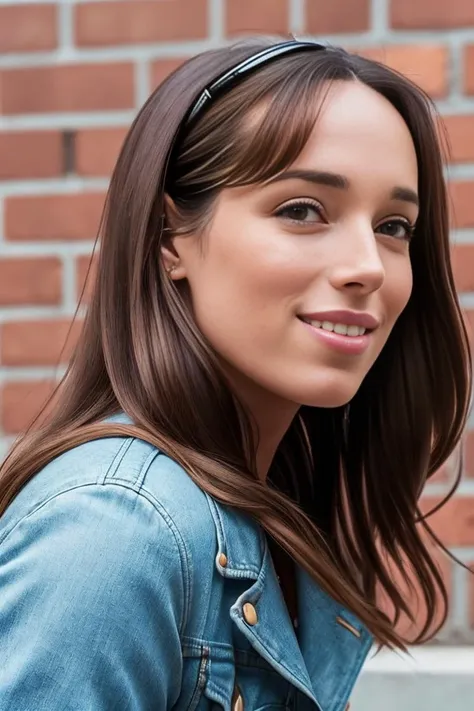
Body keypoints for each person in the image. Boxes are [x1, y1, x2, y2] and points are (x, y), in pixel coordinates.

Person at [0, 35, 470, 710]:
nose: (369, 263)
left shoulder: (267, 516)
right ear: (169, 241)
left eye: (395, 225)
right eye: (303, 210)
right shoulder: (115, 533)